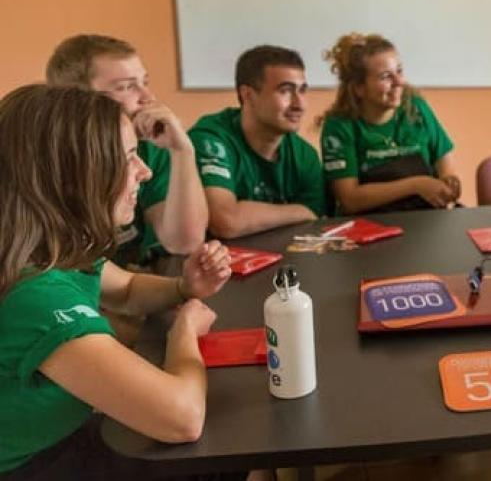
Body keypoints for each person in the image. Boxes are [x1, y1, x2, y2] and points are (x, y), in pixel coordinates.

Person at [0, 85, 235, 479]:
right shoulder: (33, 294)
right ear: (73, 177)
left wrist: (183, 288)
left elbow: (125, 289)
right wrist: (185, 333)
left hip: (61, 437)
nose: (143, 171)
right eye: (128, 158)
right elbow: (183, 416)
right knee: (216, 452)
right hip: (35, 465)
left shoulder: (59, 248)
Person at [45, 34, 208, 267]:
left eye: (145, 82)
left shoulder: (150, 147)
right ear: (78, 98)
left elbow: (184, 242)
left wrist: (182, 151)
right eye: (125, 87)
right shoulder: (47, 158)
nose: (148, 97)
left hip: (126, 287)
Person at [189, 45, 326, 239]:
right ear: (248, 95)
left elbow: (315, 220)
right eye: (285, 91)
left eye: (302, 91)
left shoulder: (305, 156)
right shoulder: (211, 138)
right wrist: (297, 211)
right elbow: (225, 222)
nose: (299, 105)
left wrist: (246, 213)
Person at [319, 32, 460, 213]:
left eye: (399, 71)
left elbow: (446, 167)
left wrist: (450, 186)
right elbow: (350, 199)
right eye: (386, 77)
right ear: (358, 88)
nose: (399, 82)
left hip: (424, 219)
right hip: (368, 224)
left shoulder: (416, 107)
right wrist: (416, 185)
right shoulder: (339, 125)